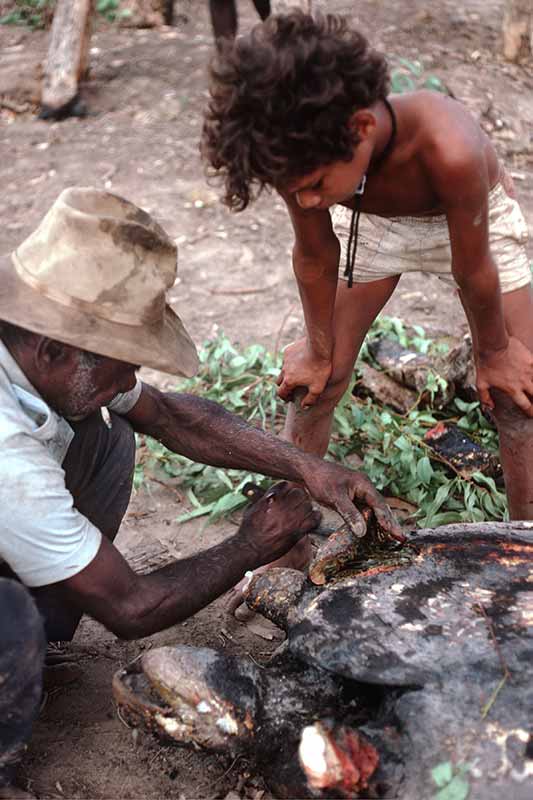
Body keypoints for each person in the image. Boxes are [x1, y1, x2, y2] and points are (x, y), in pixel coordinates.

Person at [0, 186, 400, 797]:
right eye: (124, 359)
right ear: (54, 348)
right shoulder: (8, 452)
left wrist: (310, 469)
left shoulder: (42, 355)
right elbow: (131, 608)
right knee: (11, 625)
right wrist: (250, 544)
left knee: (108, 435)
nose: (133, 375)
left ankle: (45, 621)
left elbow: (170, 416)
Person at [201, 10, 533, 520]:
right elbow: (314, 255)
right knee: (316, 383)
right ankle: (284, 535)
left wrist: (494, 353)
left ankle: (522, 541)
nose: (305, 201)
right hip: (374, 226)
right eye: (293, 191)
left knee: (518, 394)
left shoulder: (450, 147)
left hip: (471, 226)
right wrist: (315, 348)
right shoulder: (300, 161)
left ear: (359, 129)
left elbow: (474, 269)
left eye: (312, 186)